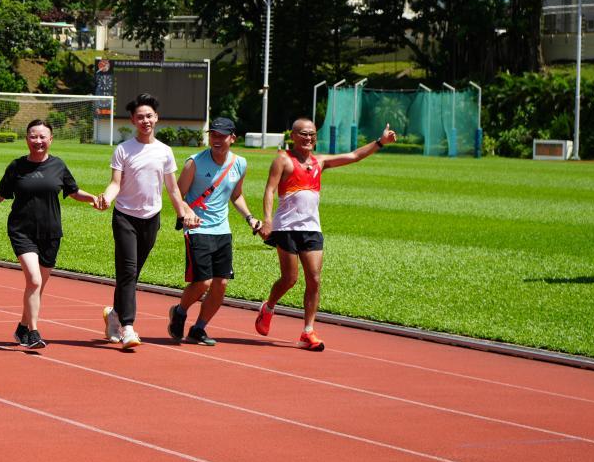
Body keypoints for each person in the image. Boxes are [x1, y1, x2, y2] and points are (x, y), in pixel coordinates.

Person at [254, 118, 398, 352]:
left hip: (312, 229)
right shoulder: (283, 160)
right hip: (286, 228)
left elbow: (354, 156)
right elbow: (269, 190)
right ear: (293, 136)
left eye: (312, 134)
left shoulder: (319, 162)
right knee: (289, 279)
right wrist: (268, 220)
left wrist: (380, 142)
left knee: (314, 279)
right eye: (303, 134)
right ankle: (268, 307)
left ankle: (308, 331)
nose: (308, 138)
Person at [0, 119, 102, 350]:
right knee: (34, 280)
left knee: (37, 286)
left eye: (42, 137)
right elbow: (1, 193)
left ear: (51, 139)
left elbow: (73, 191)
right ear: (26, 139)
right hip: (22, 231)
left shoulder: (58, 165)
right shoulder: (17, 166)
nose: (38, 141)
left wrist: (93, 199)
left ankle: (22, 327)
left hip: (51, 233)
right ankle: (33, 333)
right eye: (33, 136)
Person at [100, 93, 199, 349]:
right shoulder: (123, 149)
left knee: (131, 274)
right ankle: (128, 327)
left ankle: (114, 314)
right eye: (140, 117)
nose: (145, 120)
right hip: (125, 217)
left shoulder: (165, 151)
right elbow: (115, 183)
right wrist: (107, 198)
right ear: (133, 120)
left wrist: (183, 214)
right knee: (128, 271)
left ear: (156, 118)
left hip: (151, 218)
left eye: (149, 116)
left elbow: (173, 189)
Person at [167, 117, 259, 346]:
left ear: (232, 138)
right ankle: (179, 311)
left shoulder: (240, 163)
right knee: (203, 282)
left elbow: (236, 195)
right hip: (197, 229)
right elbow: (178, 195)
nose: (216, 140)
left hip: (222, 231)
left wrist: (249, 218)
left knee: (221, 284)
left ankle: (199, 328)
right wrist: (188, 212)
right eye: (213, 135)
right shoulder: (194, 163)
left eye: (222, 136)